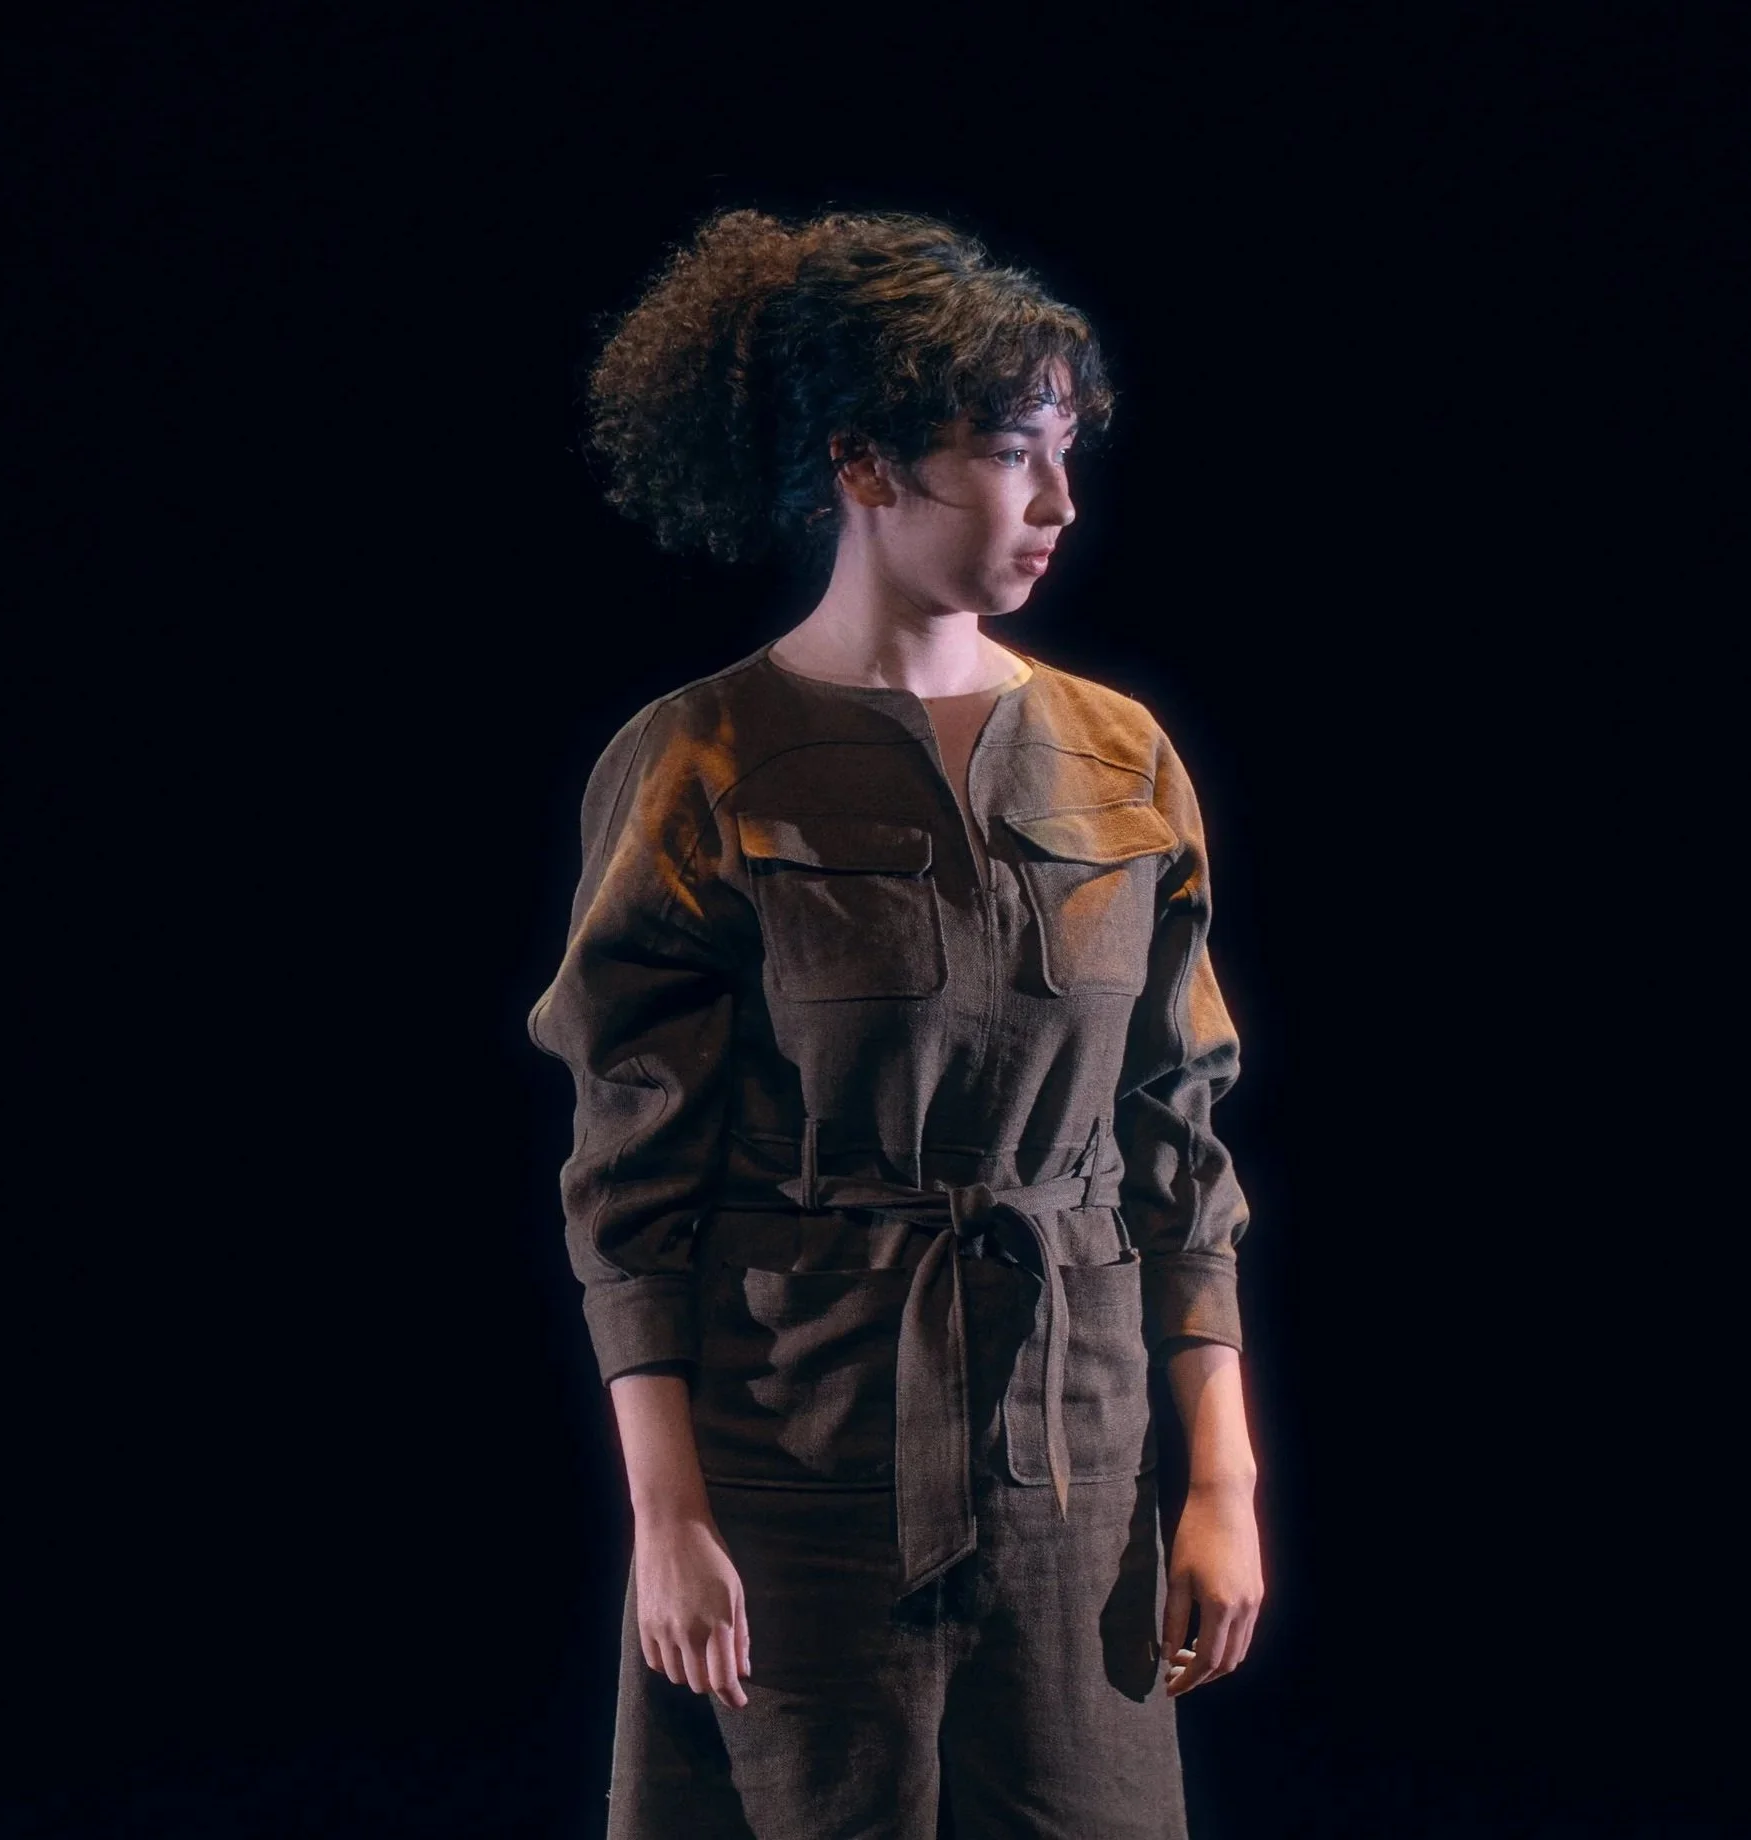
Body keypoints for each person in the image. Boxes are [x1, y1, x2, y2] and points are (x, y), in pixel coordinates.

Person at [528, 206, 1263, 1840]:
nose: (1058, 502)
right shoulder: (700, 761)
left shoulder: (1119, 755)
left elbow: (1177, 1142)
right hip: (797, 1448)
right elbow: (630, 1193)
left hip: (1077, 1456)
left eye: (1067, 451)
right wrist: (667, 1517)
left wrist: (1221, 1483)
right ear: (864, 466)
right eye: (1012, 453)